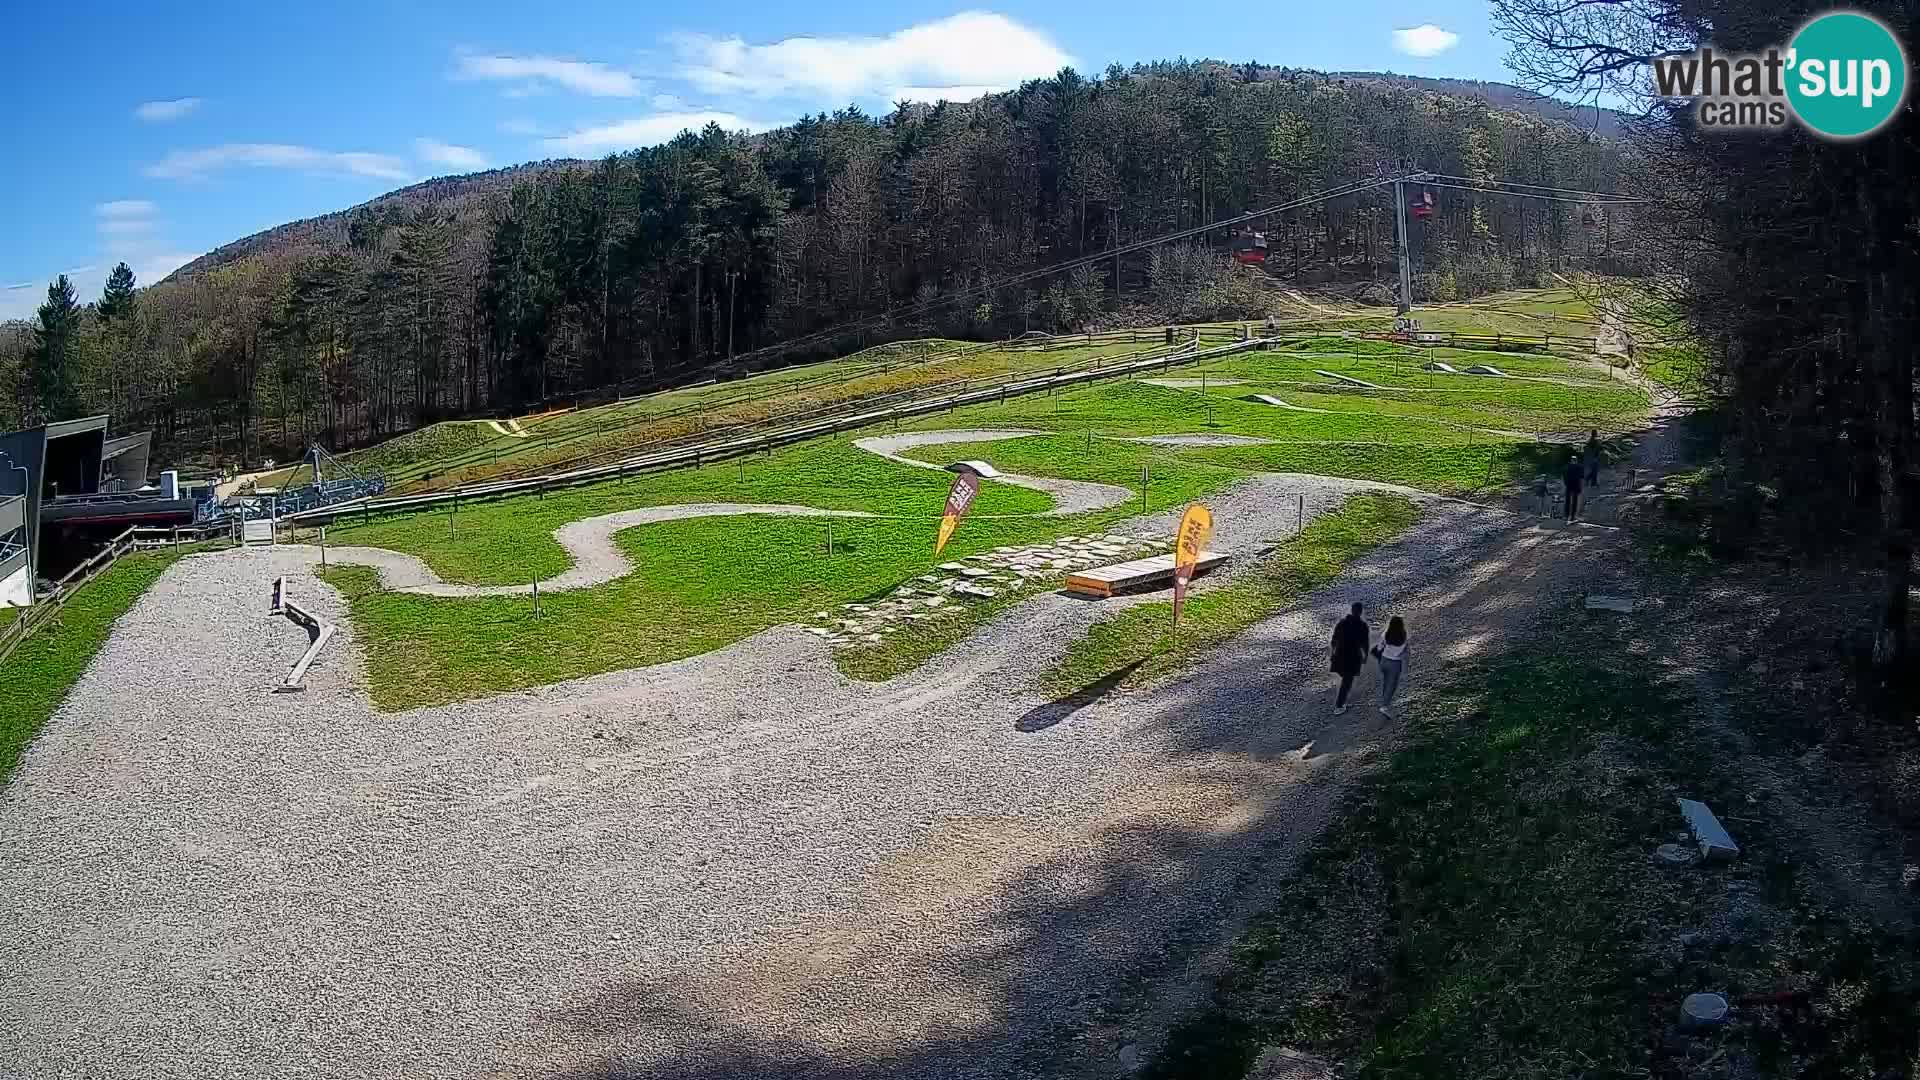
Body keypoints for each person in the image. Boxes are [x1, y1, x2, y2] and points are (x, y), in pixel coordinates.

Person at [1329, 602, 1371, 715]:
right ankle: (1339, 705)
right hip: (1353, 656)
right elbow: (1365, 643)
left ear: (1352, 610)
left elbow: (1334, 639)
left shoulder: (1342, 623)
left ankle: (1341, 703)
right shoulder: (1362, 625)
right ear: (1360, 612)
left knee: (1346, 679)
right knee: (1347, 680)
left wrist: (1333, 653)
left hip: (1340, 654)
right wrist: (1365, 655)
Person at [1372, 616, 1409, 716]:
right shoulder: (1404, 636)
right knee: (1391, 686)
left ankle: (1384, 700)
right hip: (1395, 664)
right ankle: (1385, 706)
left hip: (1384, 661)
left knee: (1385, 681)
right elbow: (1404, 653)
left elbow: (1379, 647)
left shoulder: (1386, 633)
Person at [1562, 452, 1585, 522]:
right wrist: (1581, 486)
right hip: (1576, 485)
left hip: (1569, 485)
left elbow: (1564, 476)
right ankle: (1572, 516)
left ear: (1571, 460)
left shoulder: (1567, 467)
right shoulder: (1579, 467)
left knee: (1567, 500)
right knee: (1574, 501)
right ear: (1576, 460)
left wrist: (1565, 483)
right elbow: (1582, 477)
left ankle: (1566, 515)